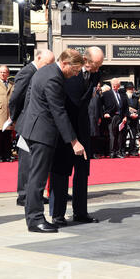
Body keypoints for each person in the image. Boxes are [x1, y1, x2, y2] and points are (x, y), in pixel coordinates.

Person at [20, 48, 86, 233]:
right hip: (42, 133)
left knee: (36, 176)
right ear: (64, 63)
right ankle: (35, 219)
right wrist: (74, 141)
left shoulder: (45, 71)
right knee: (38, 178)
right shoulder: (53, 78)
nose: (75, 74)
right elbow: (58, 111)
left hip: (34, 129)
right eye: (74, 70)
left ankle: (34, 216)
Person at [49, 46, 104, 227]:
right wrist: (69, 136)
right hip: (65, 131)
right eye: (96, 65)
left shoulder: (95, 74)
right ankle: (57, 214)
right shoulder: (69, 73)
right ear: (86, 60)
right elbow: (61, 107)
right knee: (61, 172)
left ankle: (80, 212)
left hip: (83, 129)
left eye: (100, 65)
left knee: (82, 173)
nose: (98, 69)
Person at [9, 49, 55, 207]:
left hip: (33, 121)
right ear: (39, 57)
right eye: (47, 64)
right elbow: (15, 98)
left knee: (35, 162)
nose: (49, 67)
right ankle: (23, 195)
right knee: (26, 161)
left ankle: (34, 194)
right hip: (26, 121)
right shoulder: (27, 72)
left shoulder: (39, 72)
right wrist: (14, 118)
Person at [0, 65, 14, 162]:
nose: (3, 74)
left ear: (8, 73)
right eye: (1, 72)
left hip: (9, 114)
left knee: (8, 136)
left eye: (5, 72)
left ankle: (7, 155)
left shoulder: (12, 84)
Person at [102, 78, 129, 158]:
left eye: (116, 84)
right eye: (113, 84)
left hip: (121, 117)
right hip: (112, 117)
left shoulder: (122, 94)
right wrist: (105, 113)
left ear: (119, 86)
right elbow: (101, 105)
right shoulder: (106, 94)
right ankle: (112, 152)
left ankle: (118, 151)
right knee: (112, 135)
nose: (114, 86)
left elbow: (126, 106)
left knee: (120, 135)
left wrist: (125, 116)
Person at [125, 82, 140, 157]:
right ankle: (122, 150)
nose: (131, 90)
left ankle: (132, 150)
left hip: (134, 120)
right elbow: (123, 108)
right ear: (126, 90)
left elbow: (138, 108)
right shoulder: (123, 97)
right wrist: (130, 114)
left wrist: (136, 114)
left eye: (132, 89)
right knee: (123, 136)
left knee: (133, 136)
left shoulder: (135, 98)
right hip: (126, 120)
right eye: (129, 89)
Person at [88, 82, 103, 159]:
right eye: (97, 86)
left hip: (93, 119)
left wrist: (99, 117)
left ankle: (92, 153)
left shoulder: (96, 96)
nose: (98, 88)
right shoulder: (94, 96)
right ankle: (92, 153)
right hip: (91, 119)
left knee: (93, 137)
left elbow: (98, 108)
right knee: (92, 137)